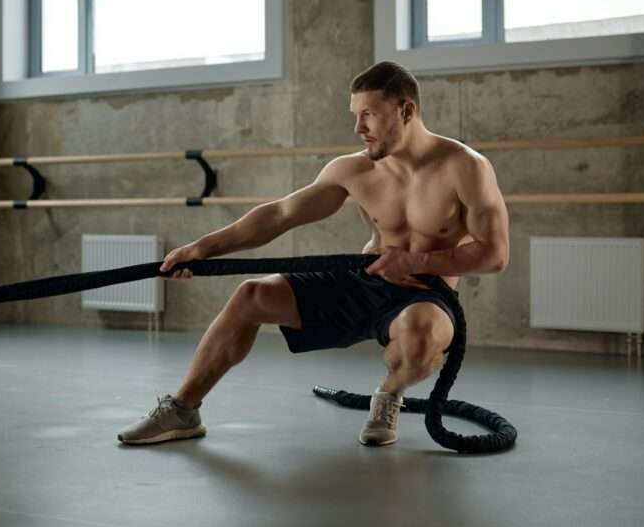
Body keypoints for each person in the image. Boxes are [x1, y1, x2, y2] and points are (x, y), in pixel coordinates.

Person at [117, 61, 510, 447]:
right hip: (367, 278)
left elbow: (495, 254)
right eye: (356, 116)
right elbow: (279, 215)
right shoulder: (353, 170)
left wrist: (418, 261)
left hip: (427, 292)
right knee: (251, 295)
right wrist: (202, 248)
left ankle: (389, 393)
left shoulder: (466, 167)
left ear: (406, 110)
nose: (359, 129)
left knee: (419, 339)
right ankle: (183, 410)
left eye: (369, 115)